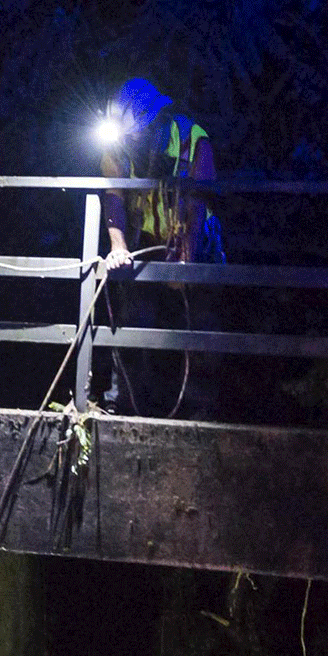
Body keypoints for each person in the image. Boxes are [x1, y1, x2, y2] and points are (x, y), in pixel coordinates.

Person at [97, 77, 224, 416]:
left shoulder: (193, 140)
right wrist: (118, 246)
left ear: (155, 120)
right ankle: (122, 401)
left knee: (198, 326)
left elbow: (198, 199)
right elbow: (114, 196)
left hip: (199, 243)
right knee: (133, 319)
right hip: (149, 243)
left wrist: (187, 258)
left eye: (136, 135)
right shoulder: (117, 144)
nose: (131, 143)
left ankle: (200, 411)